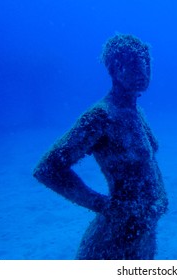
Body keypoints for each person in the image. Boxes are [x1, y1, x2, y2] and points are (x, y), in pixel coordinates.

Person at [33, 34, 168, 260]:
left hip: (143, 233)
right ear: (115, 68)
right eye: (134, 63)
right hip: (113, 241)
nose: (143, 70)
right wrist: (104, 206)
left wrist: (161, 198)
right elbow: (48, 169)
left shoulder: (136, 113)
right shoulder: (102, 116)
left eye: (147, 62)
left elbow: (150, 163)